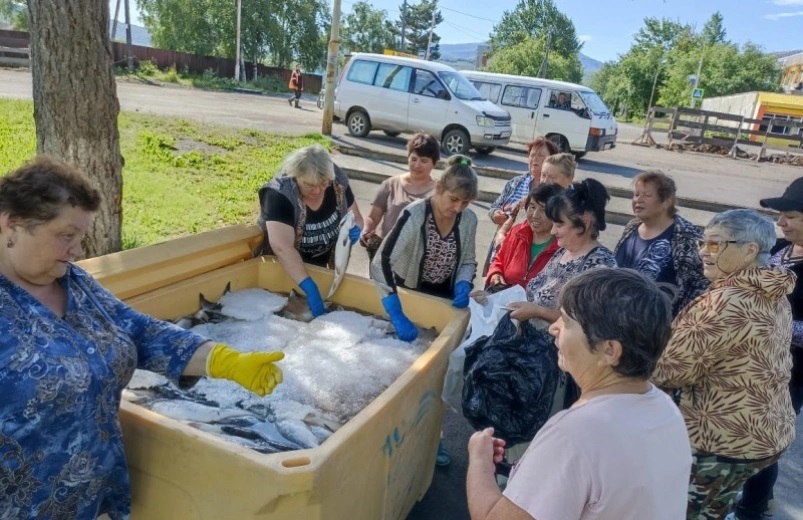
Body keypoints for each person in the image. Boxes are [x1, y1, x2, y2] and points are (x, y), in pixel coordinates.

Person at [0, 157, 287, 519]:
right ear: (11, 223)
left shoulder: (73, 281)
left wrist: (223, 361)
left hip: (97, 501)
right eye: (65, 236)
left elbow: (138, 331)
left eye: (81, 237)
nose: (77, 250)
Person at [467, 269, 692, 520]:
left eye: (567, 320)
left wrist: (479, 458)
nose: (554, 327)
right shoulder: (667, 411)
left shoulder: (574, 435)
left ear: (609, 351)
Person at [653, 209, 797, 520]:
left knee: (676, 512)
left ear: (750, 250)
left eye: (716, 245)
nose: (704, 252)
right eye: (702, 244)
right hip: (764, 433)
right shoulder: (773, 291)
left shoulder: (726, 301)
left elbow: (669, 370)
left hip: (720, 440)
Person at [729, 180, 803, 520]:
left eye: (790, 216)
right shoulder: (779, 251)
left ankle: (753, 509)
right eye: (780, 216)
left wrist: (770, 323)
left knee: (762, 442)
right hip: (752, 363)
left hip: (790, 371)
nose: (781, 223)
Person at [370, 154, 479, 343]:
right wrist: (395, 311)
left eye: (465, 202)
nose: (458, 208)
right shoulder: (415, 214)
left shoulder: (468, 220)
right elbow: (381, 262)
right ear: (438, 188)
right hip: (410, 292)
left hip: (446, 296)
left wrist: (463, 283)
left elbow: (467, 261)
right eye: (453, 199)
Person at [255, 145, 364, 318]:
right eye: (309, 185)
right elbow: (282, 247)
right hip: (282, 271)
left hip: (319, 266)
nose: (317, 191)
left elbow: (356, 216)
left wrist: (356, 228)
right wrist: (309, 288)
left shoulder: (335, 179)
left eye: (323, 184)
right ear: (296, 176)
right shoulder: (279, 193)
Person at [614, 170, 708, 316]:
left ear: (666, 201)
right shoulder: (632, 227)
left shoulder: (686, 236)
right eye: (636, 194)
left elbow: (700, 285)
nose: (638, 200)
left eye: (647, 195)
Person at [484, 137, 558, 274]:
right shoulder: (516, 183)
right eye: (532, 155)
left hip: (529, 262)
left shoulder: (554, 192)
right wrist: (496, 214)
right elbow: (496, 205)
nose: (535, 159)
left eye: (541, 155)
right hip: (500, 255)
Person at [360, 133, 439, 262]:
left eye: (424, 161)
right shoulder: (390, 184)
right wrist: (366, 230)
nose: (417, 165)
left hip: (418, 261)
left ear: (434, 163)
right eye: (413, 159)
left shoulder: (439, 192)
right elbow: (373, 217)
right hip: (384, 256)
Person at [483, 183, 563, 293]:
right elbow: (498, 260)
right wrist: (495, 273)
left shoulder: (562, 247)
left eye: (543, 210)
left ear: (557, 214)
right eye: (532, 207)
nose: (535, 215)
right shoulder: (517, 232)